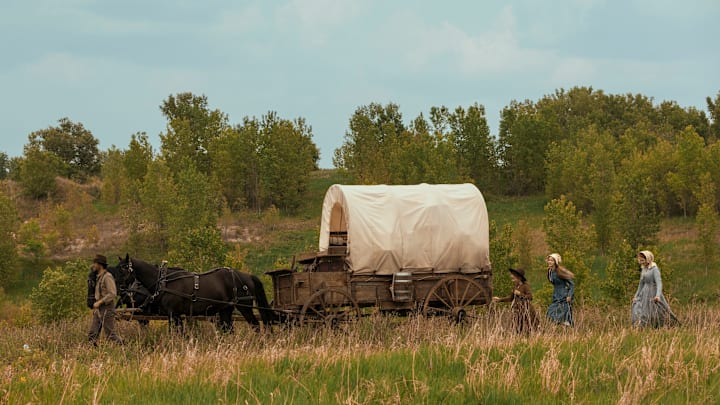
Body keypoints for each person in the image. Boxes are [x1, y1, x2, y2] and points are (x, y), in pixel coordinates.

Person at [631, 250, 679, 328]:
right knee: (639, 308)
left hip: (653, 292)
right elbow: (641, 284)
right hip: (644, 293)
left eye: (642, 260)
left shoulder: (654, 269)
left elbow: (659, 283)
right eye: (640, 260)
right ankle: (642, 327)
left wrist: (658, 295)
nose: (641, 262)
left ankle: (667, 325)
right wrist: (636, 296)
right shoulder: (643, 269)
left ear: (648, 259)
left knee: (658, 311)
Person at [88, 254, 123, 346]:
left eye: (95, 263)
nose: (93, 266)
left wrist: (99, 302)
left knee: (110, 335)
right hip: (99, 309)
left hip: (107, 308)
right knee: (93, 333)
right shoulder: (98, 277)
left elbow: (112, 293)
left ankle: (124, 347)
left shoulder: (107, 277)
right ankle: (93, 353)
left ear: (100, 264)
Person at [493, 268, 539, 336]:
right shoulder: (516, 286)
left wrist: (520, 294)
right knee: (517, 329)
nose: (511, 276)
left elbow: (530, 297)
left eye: (513, 275)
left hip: (526, 311)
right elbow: (511, 298)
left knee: (529, 329)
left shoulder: (525, 286)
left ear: (519, 277)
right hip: (517, 311)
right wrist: (499, 299)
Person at [546, 253, 575, 326]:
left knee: (566, 316)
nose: (549, 262)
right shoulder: (550, 272)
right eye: (549, 260)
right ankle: (562, 326)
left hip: (564, 296)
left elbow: (572, 284)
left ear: (555, 262)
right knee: (550, 312)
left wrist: (570, 295)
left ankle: (570, 330)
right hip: (556, 295)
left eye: (551, 260)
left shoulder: (560, 271)